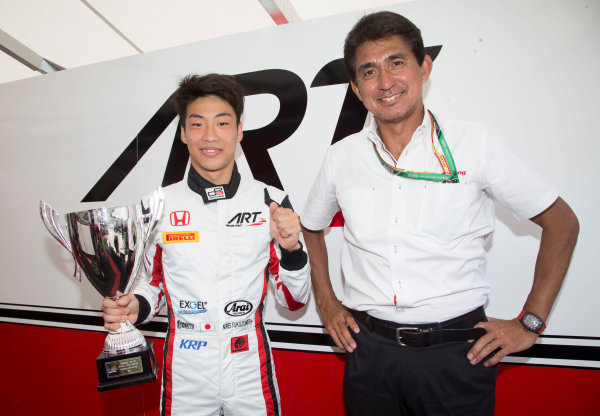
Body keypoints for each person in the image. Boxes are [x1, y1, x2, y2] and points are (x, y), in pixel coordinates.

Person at [300, 11, 579, 416]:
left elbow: (562, 222)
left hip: (457, 356)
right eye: (369, 71)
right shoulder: (341, 157)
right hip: (369, 355)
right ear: (357, 89)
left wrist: (529, 323)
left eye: (397, 63)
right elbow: (311, 227)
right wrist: (326, 301)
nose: (385, 82)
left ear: (424, 67)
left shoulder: (475, 143)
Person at [102, 73, 311, 416]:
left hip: (248, 362)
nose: (210, 136)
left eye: (222, 123)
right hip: (187, 364)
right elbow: (150, 287)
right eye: (197, 124)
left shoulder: (270, 200)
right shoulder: (157, 206)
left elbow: (293, 300)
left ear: (239, 131)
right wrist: (131, 307)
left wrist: (292, 251)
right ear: (183, 133)